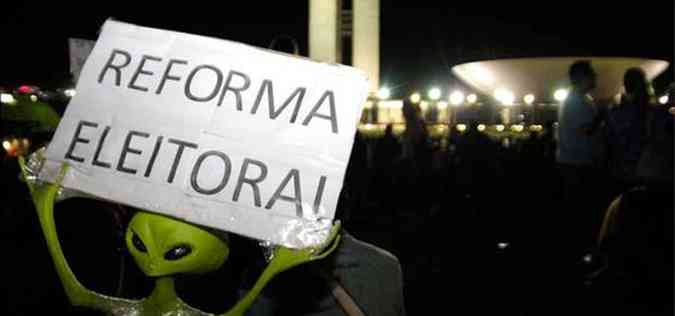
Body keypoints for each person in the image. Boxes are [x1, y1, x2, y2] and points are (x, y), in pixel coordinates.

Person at [556, 60, 605, 259]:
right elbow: (585, 130)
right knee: (579, 211)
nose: (595, 78)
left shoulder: (580, 99)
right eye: (592, 74)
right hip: (576, 164)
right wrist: (602, 117)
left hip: (576, 162)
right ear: (582, 78)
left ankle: (576, 250)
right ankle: (577, 253)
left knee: (578, 210)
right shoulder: (576, 101)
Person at [605, 68, 651, 195]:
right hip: (642, 160)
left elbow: (614, 132)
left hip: (623, 161)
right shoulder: (646, 107)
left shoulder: (619, 110)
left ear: (626, 84)